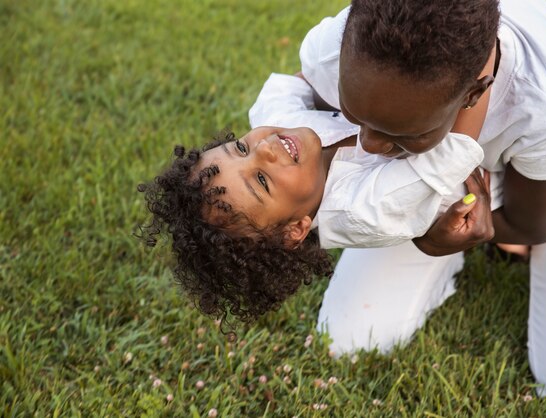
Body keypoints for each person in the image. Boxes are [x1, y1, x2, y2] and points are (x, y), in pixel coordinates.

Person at [249, 0, 546, 412]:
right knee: (350, 339)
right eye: (356, 114)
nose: (369, 145)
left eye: (401, 132)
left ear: (474, 93)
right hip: (455, 164)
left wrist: (440, 235)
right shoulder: (345, 42)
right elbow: (308, 100)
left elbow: (532, 222)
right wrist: (419, 220)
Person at [137, 71, 490, 326]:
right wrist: (478, 53)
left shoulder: (274, 124)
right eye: (261, 179)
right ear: (295, 229)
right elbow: (459, 139)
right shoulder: (367, 210)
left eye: (240, 147)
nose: (264, 147)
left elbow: (313, 69)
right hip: (490, 159)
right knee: (348, 337)